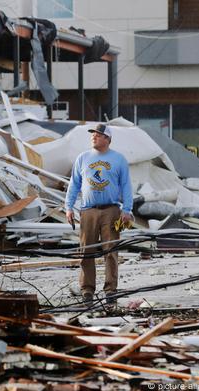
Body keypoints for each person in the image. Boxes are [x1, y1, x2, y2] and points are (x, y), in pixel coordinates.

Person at [65, 123, 133, 304]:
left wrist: (127, 210)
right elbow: (74, 184)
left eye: (98, 134)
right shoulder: (83, 158)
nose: (94, 136)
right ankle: (87, 290)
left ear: (107, 139)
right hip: (88, 211)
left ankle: (111, 290)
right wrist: (69, 207)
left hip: (111, 210)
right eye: (93, 134)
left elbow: (126, 185)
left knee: (110, 251)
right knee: (86, 251)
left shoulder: (118, 159)